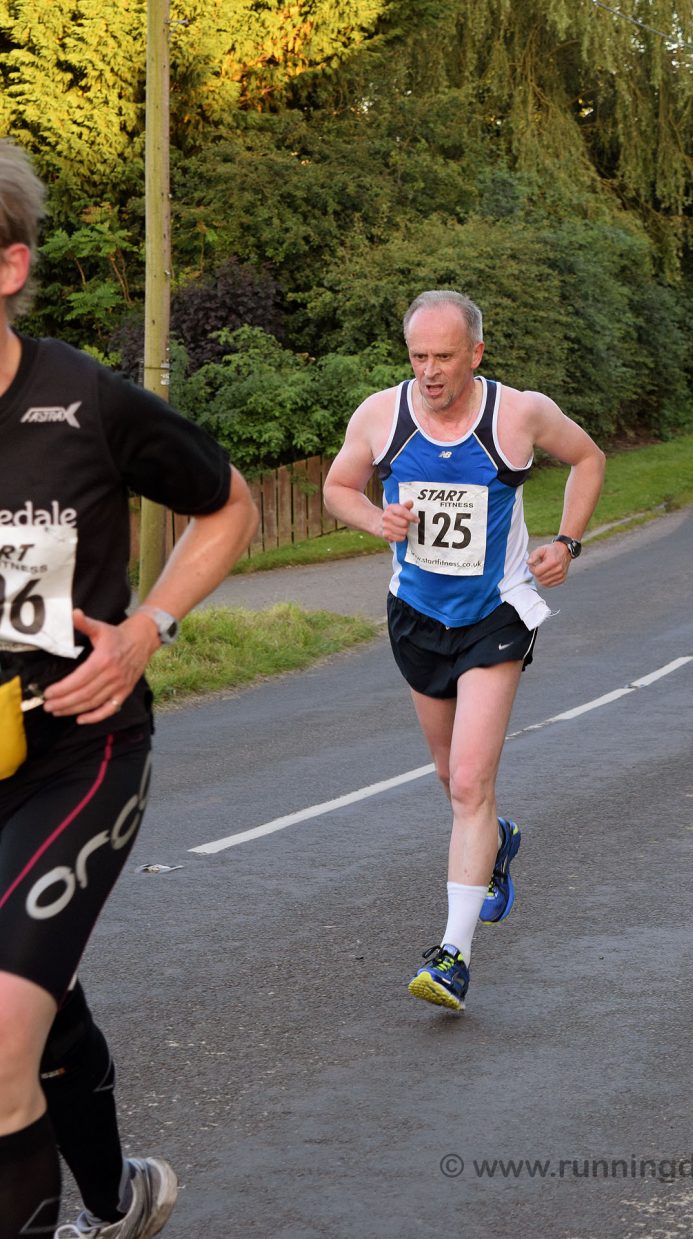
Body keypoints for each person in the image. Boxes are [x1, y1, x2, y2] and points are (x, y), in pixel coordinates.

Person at [0, 140, 259, 1239]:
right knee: (34, 1009)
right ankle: (115, 1195)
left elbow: (231, 504)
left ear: (8, 267)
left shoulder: (83, 401)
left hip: (78, 750)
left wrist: (146, 630)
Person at [324, 289, 605, 1011]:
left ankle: (453, 955)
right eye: (418, 356)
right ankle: (497, 841)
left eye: (444, 356)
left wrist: (567, 542)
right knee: (455, 781)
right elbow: (336, 488)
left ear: (476, 353)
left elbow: (588, 458)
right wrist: (374, 517)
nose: (429, 372)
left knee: (471, 780)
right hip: (417, 614)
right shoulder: (381, 416)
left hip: (495, 616)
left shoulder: (517, 414)